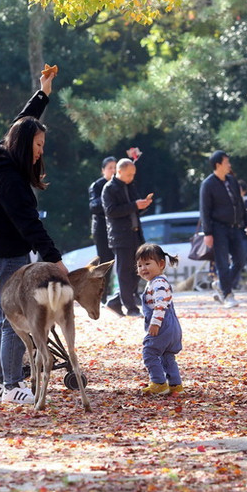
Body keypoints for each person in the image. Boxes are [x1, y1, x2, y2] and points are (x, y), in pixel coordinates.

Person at [0, 65, 66, 405]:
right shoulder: (12, 181)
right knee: (13, 321)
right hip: (6, 256)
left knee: (2, 319)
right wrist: (55, 260)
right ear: (26, 144)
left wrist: (42, 94)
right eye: (38, 144)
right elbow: (31, 225)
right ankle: (12, 385)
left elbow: (20, 124)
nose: (40, 151)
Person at [200, 150, 247, 308]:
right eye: (226, 162)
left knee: (240, 259)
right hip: (218, 228)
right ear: (218, 165)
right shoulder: (208, 184)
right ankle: (228, 294)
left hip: (235, 227)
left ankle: (222, 285)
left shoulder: (232, 181)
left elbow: (240, 204)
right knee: (222, 262)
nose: (229, 165)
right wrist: (208, 233)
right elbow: (205, 210)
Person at [102, 158, 153, 317]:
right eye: (129, 174)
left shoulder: (130, 186)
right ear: (119, 171)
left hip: (135, 233)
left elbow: (134, 209)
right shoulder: (109, 189)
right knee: (124, 272)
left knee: (137, 271)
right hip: (120, 236)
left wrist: (142, 205)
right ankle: (131, 308)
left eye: (133, 174)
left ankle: (115, 302)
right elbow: (111, 211)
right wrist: (135, 205)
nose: (132, 177)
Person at [136, 244, 183, 396]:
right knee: (167, 355)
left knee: (149, 351)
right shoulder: (158, 281)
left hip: (163, 325)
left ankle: (158, 382)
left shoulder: (158, 283)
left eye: (147, 264)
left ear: (161, 264)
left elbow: (160, 304)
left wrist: (155, 323)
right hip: (172, 327)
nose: (143, 268)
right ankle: (175, 385)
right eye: (139, 265)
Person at [88, 157, 117, 302]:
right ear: (103, 170)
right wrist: (108, 200)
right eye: (110, 167)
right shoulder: (97, 186)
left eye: (115, 167)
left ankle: (116, 295)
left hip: (117, 228)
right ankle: (101, 296)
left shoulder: (120, 185)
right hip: (101, 229)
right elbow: (93, 206)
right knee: (105, 262)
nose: (113, 170)